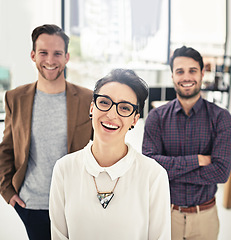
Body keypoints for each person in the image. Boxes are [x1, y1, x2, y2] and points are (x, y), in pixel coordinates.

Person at [49, 69, 171, 240]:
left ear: (134, 120)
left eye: (124, 108)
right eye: (105, 102)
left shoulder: (154, 175)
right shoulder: (64, 169)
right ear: (92, 108)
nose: (111, 114)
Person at [0, 24, 93, 240]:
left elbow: (102, 149)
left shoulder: (88, 98)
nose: (50, 60)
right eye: (43, 52)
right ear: (33, 55)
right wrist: (8, 191)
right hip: (31, 205)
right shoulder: (15, 97)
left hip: (76, 203)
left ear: (67, 57)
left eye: (57, 53)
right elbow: (6, 148)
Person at [142, 46, 231, 240]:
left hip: (205, 218)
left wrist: (169, 170)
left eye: (192, 70)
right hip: (166, 215)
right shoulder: (156, 117)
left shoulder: (221, 118)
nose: (186, 77)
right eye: (180, 71)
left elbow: (221, 172)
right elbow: (149, 166)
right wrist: (198, 160)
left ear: (202, 73)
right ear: (172, 76)